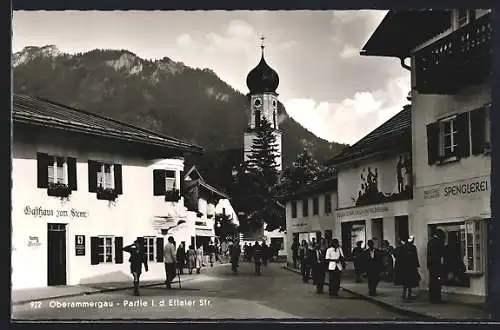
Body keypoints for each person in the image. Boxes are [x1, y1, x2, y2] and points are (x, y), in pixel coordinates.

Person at [427, 229, 445, 303]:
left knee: (432, 281)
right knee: (437, 282)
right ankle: (437, 298)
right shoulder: (438, 242)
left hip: (431, 265)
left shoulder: (430, 242)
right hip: (437, 265)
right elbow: (441, 254)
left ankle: (432, 298)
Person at [401, 236, 421, 301]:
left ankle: (407, 295)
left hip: (410, 267)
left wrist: (417, 264)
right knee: (407, 282)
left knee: (408, 282)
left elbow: (415, 256)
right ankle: (405, 295)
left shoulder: (412, 247)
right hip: (408, 266)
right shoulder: (406, 247)